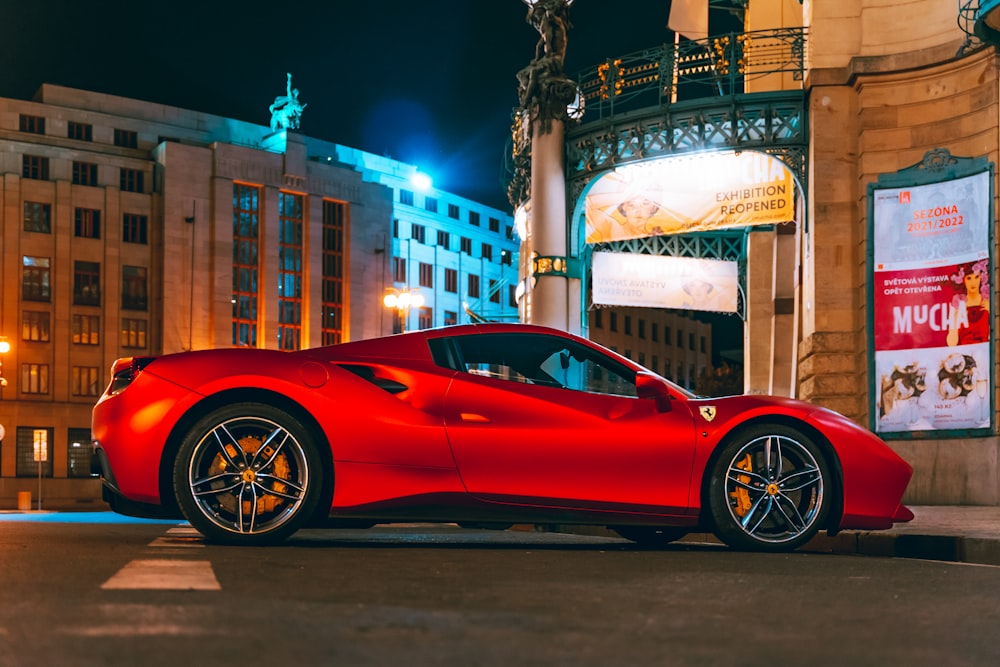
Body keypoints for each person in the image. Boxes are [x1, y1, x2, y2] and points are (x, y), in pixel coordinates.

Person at [946, 258, 990, 346]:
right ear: (963, 280)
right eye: (969, 278)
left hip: (984, 354)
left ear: (981, 278)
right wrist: (955, 322)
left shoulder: (987, 302)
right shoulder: (958, 306)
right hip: (964, 354)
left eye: (976, 277)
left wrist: (990, 313)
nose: (973, 282)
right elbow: (951, 343)